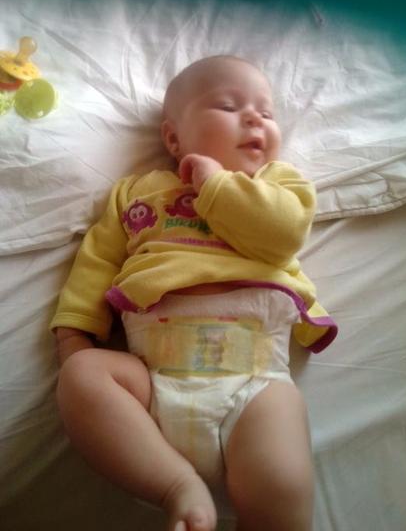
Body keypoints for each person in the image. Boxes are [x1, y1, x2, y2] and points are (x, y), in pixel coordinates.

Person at [51, 55, 337, 531]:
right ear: (173, 139)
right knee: (81, 375)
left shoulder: (278, 183)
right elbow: (97, 261)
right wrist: (73, 332)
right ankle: (176, 486)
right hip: (152, 377)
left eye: (267, 113)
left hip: (254, 379)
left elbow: (282, 235)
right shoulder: (138, 192)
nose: (254, 118)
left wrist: (216, 184)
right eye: (229, 106)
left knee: (283, 481)